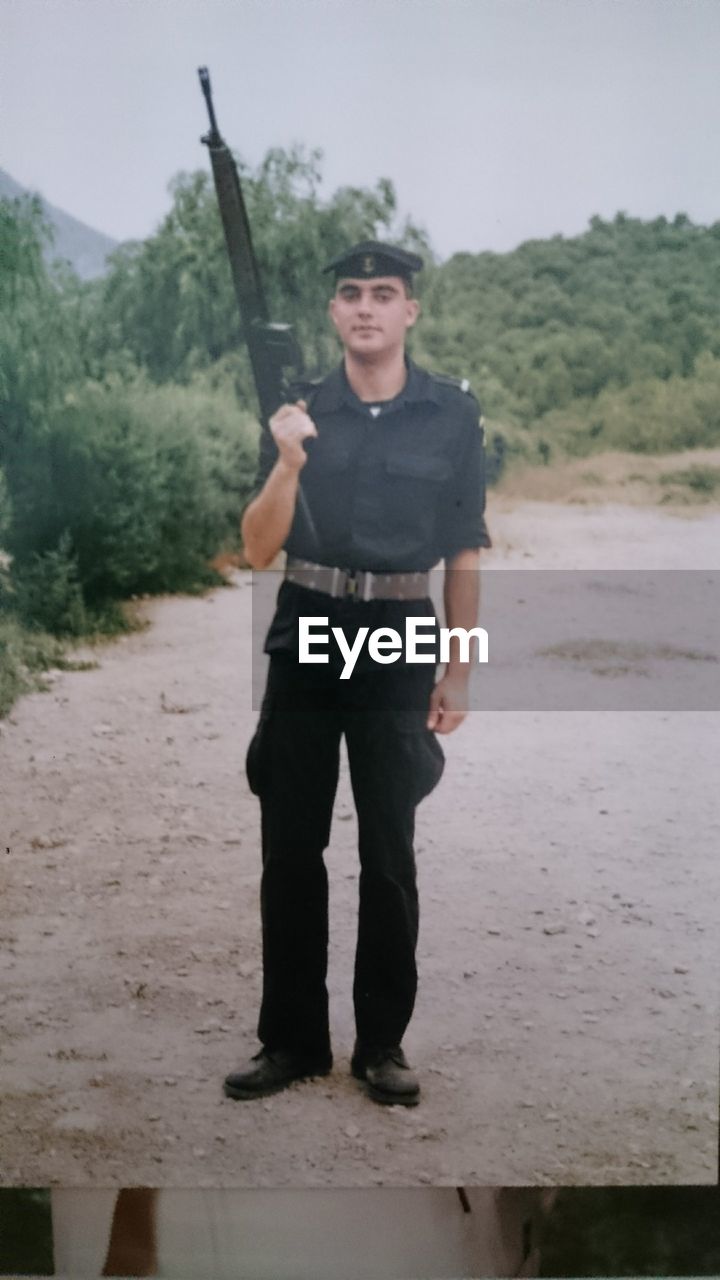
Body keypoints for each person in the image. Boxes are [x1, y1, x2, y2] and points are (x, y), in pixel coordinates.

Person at [224, 240, 491, 1107]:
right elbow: (257, 547)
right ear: (334, 313)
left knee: (389, 848)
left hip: (396, 638)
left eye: (384, 293)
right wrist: (290, 461)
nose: (367, 307)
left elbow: (463, 550)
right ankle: (293, 1041)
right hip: (308, 623)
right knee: (291, 845)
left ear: (410, 310)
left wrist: (459, 668)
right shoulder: (299, 411)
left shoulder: (451, 415)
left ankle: (382, 1046)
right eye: (350, 293)